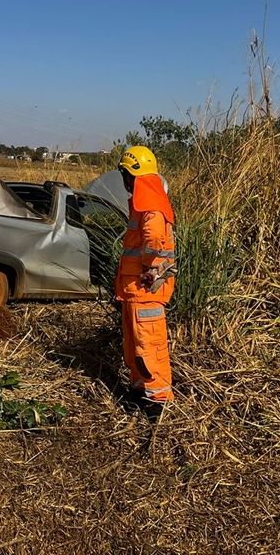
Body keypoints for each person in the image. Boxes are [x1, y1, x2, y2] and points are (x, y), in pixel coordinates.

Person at [114, 145, 176, 418]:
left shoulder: (150, 203)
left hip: (145, 288)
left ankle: (158, 399)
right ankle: (141, 389)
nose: (125, 182)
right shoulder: (145, 201)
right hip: (135, 289)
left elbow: (153, 241)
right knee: (135, 343)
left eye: (126, 175)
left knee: (149, 344)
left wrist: (150, 269)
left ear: (134, 175)